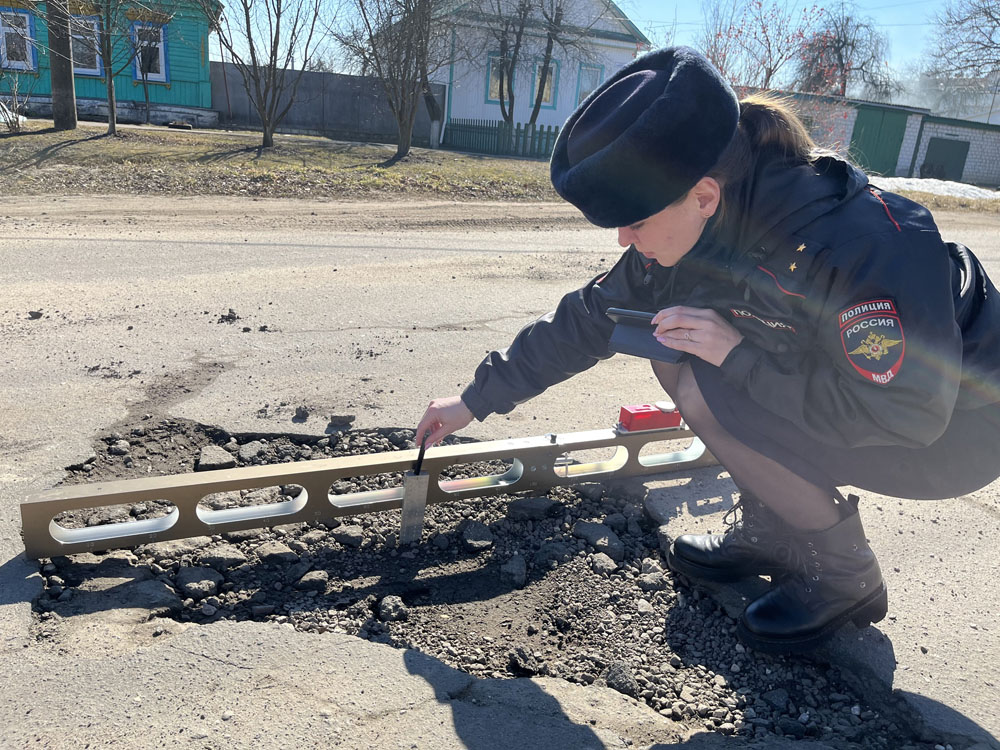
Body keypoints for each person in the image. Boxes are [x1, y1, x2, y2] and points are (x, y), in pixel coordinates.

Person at [414, 46, 1000, 653]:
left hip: (954, 427)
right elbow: (591, 317)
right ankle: (773, 528)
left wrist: (740, 358)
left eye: (635, 221)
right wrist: (473, 402)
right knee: (671, 343)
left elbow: (902, 413)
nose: (623, 239)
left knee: (716, 378)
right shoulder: (690, 228)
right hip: (863, 397)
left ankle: (845, 573)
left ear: (702, 196)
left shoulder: (862, 244)